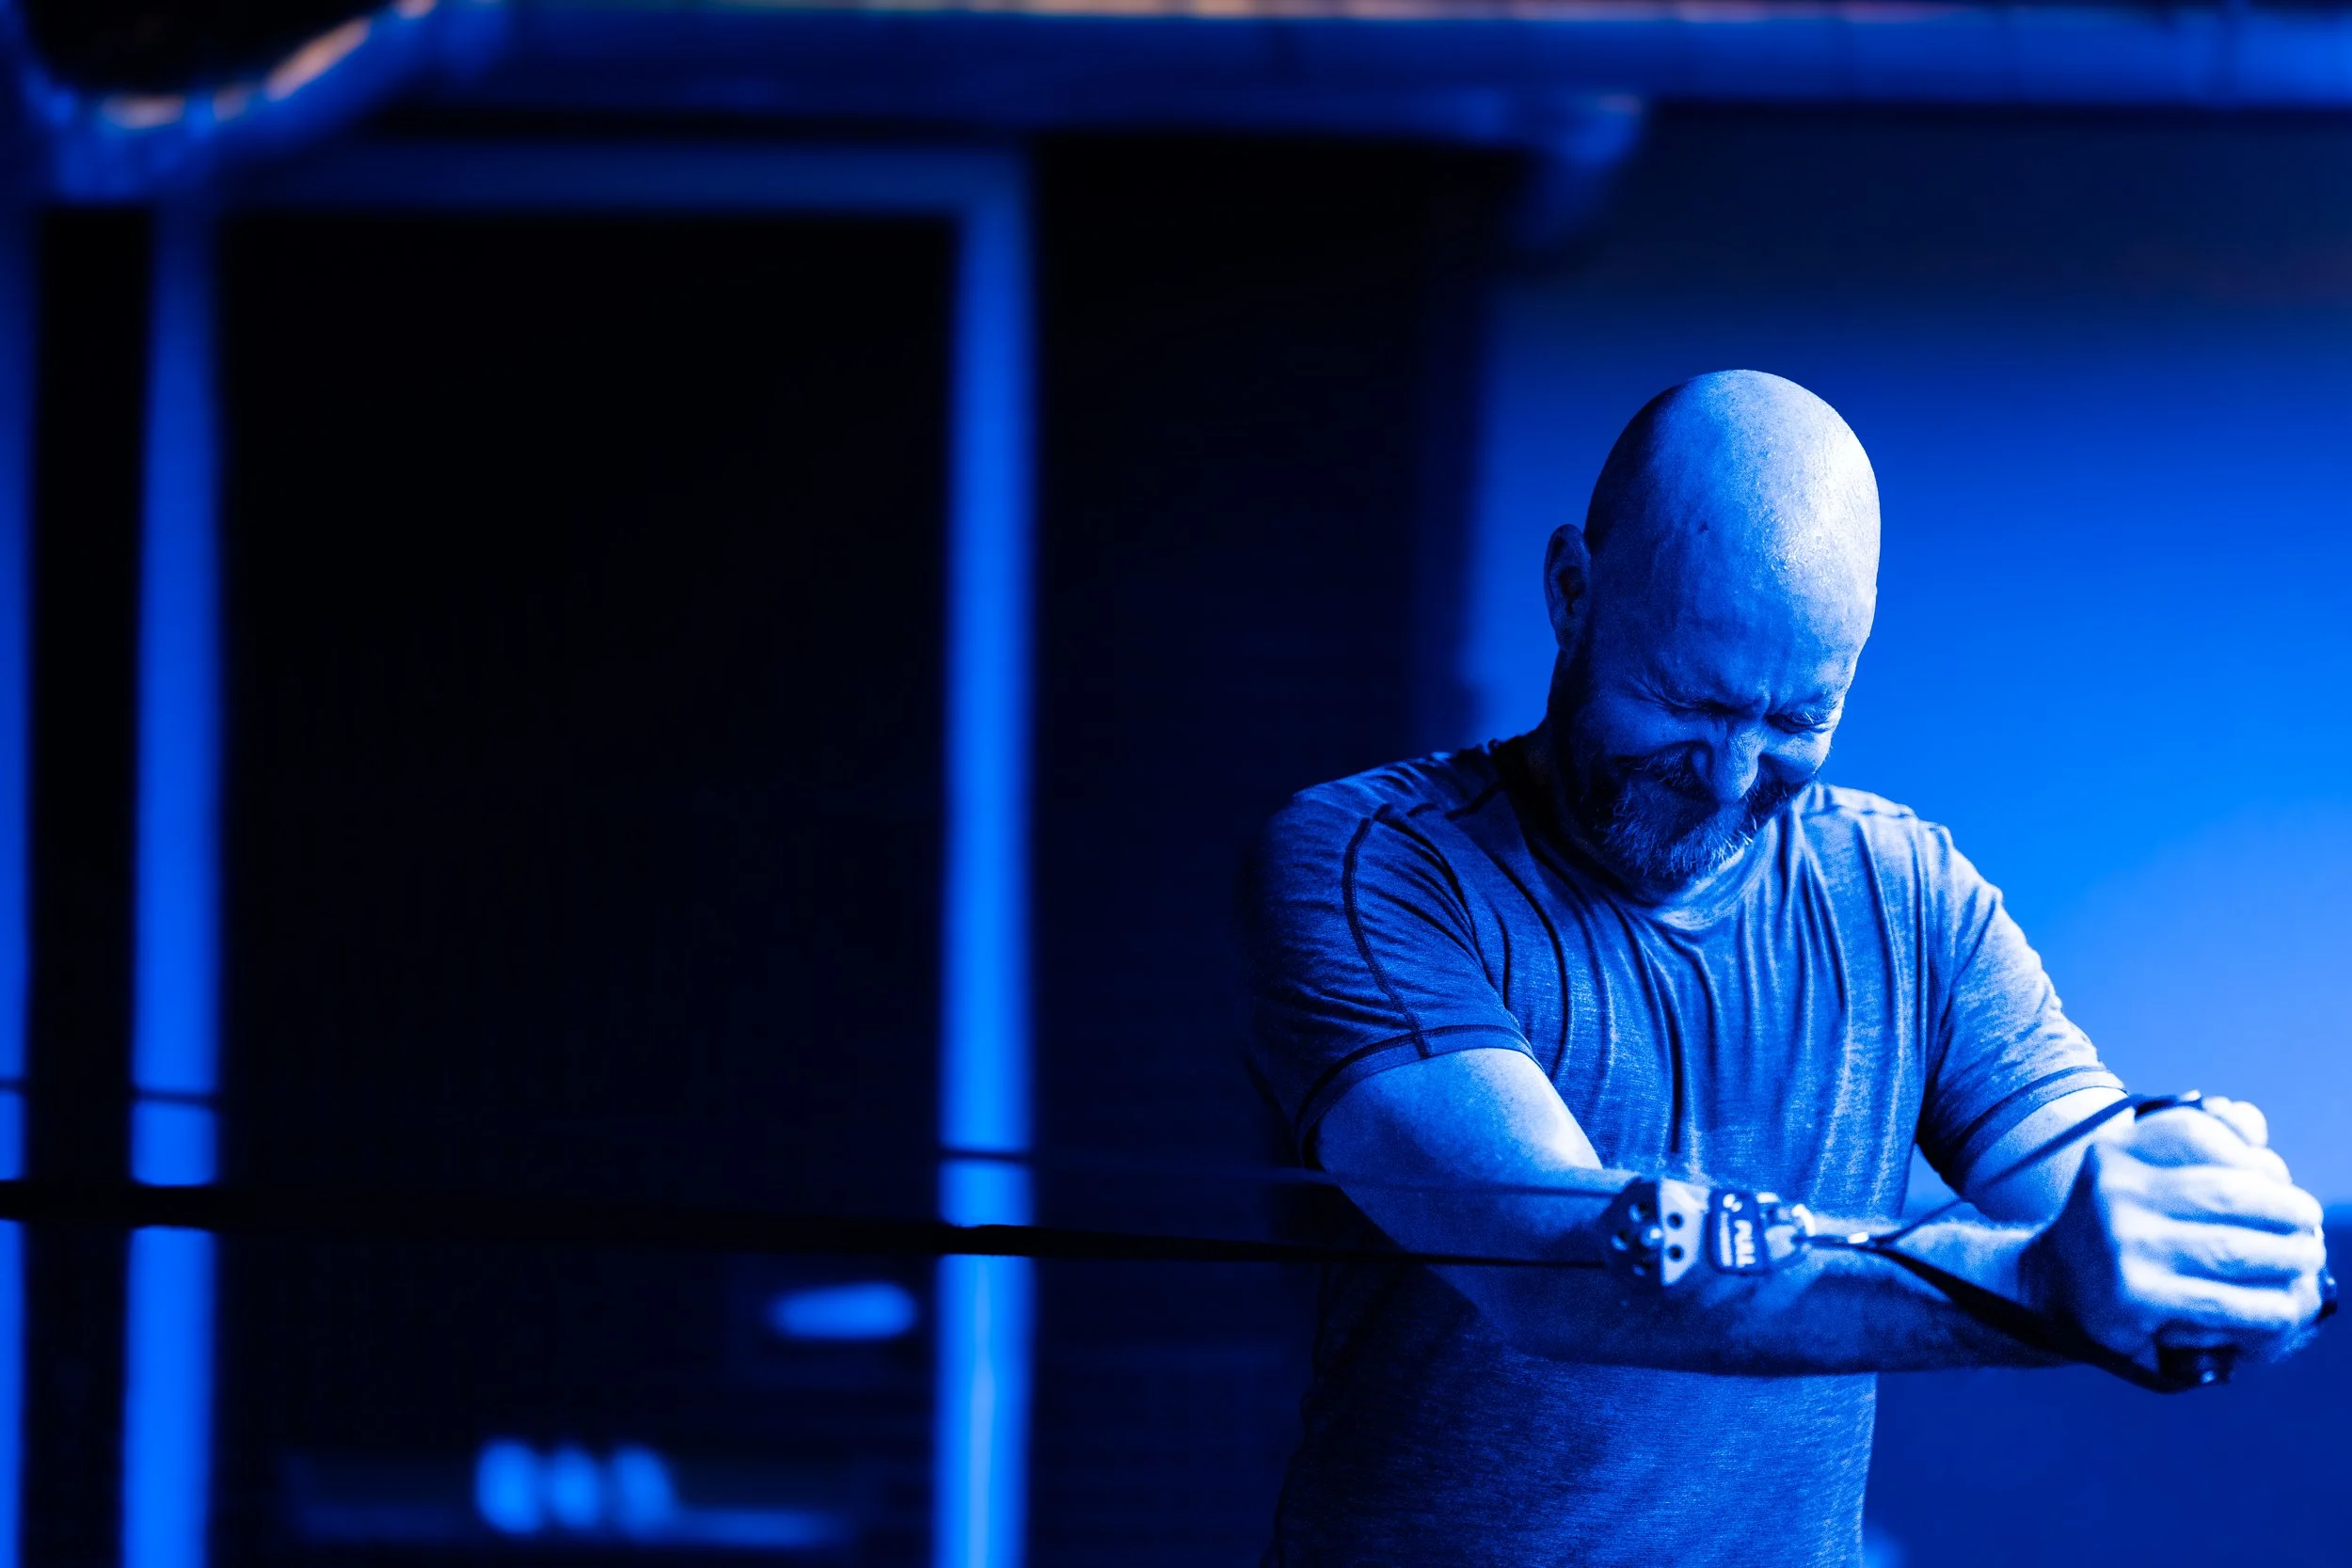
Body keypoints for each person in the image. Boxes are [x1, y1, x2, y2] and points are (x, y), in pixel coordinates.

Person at [1241, 370, 2331, 1567]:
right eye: (1682, 700)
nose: (1725, 775)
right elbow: (1555, 1266)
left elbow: (2073, 1184)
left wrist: (2187, 1209)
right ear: (1571, 592)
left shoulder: (1905, 893)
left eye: (1794, 723)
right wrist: (2036, 1285)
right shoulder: (1371, 862)